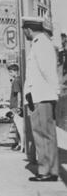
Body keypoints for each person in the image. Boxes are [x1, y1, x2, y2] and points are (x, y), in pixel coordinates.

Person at [22, 17, 60, 182]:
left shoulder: (41, 44)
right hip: (41, 96)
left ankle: (45, 170)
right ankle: (52, 170)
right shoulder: (41, 43)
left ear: (29, 30)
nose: (24, 33)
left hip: (41, 96)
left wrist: (55, 92)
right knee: (48, 135)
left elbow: (48, 72)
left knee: (42, 135)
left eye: (24, 30)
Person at [8, 63, 24, 151]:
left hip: (15, 107)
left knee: (18, 127)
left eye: (11, 72)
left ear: (15, 71)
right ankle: (19, 143)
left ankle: (20, 144)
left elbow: (18, 94)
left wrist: (18, 108)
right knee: (17, 127)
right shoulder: (18, 79)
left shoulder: (16, 80)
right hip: (15, 106)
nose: (10, 74)